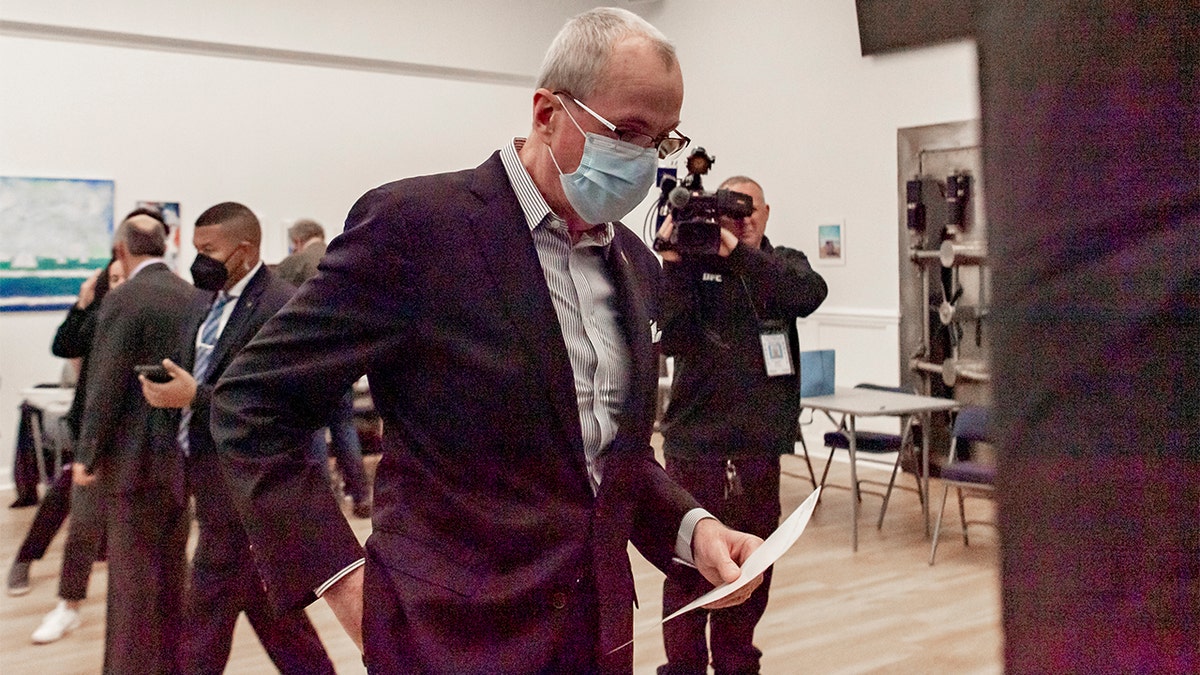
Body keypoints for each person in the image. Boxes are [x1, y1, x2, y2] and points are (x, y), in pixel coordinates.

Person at [211, 8, 764, 673]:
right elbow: (250, 403)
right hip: (445, 641)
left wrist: (694, 529)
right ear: (546, 113)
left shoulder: (634, 267)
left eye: (662, 142)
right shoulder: (417, 229)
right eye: (627, 132)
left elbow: (603, 457)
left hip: (596, 640)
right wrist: (345, 585)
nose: (643, 160)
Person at [138, 202, 335, 674]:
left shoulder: (283, 305)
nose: (198, 260)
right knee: (265, 604)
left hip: (245, 478)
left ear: (244, 251)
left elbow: (283, 401)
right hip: (203, 471)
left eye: (210, 250)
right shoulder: (206, 301)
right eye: (195, 248)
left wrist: (196, 397)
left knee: (206, 604)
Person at [655, 175, 828, 674]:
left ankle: (737, 664)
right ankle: (683, 668)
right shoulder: (692, 268)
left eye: (752, 209)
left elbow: (806, 294)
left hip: (757, 449)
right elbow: (673, 339)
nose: (745, 218)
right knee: (687, 566)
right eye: (733, 211)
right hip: (695, 448)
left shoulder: (782, 264)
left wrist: (735, 251)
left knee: (753, 567)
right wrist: (672, 264)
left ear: (767, 212)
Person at [72, 214, 198, 673]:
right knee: (171, 573)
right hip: (180, 457)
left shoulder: (125, 299)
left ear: (122, 251)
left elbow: (104, 384)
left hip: (131, 459)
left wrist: (88, 453)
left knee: (131, 583)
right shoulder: (193, 295)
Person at [7, 257, 124, 644]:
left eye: (127, 276)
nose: (122, 283)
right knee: (66, 500)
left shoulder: (145, 315)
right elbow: (64, 346)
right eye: (116, 278)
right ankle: (30, 564)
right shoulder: (97, 317)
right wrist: (82, 303)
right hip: (90, 432)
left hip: (129, 436)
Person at [276, 218, 372, 519]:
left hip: (306, 362)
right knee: (345, 427)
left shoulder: (291, 265)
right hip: (344, 360)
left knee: (314, 430)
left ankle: (325, 501)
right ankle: (361, 495)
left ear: (297, 241)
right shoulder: (346, 254)